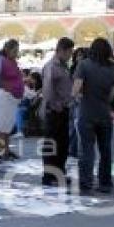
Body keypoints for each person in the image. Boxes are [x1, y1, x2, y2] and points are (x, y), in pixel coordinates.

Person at [73, 37, 114, 194]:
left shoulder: (84, 65)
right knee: (105, 150)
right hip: (104, 113)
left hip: (87, 112)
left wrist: (78, 97)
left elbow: (76, 89)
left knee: (86, 150)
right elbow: (112, 94)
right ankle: (105, 183)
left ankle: (86, 185)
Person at [41, 37, 75, 187]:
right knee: (52, 143)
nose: (70, 56)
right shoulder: (52, 66)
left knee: (62, 144)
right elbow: (48, 88)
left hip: (63, 109)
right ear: (62, 50)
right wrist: (51, 105)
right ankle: (49, 176)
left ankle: (59, 173)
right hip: (55, 110)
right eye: (69, 52)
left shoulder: (63, 66)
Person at [0, 39, 24, 161]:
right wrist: (7, 87)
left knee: (7, 126)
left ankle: (6, 150)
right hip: (5, 96)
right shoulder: (1, 61)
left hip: (12, 98)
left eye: (17, 50)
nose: (16, 53)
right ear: (7, 49)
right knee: (1, 126)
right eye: (14, 51)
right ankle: (0, 152)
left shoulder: (12, 61)